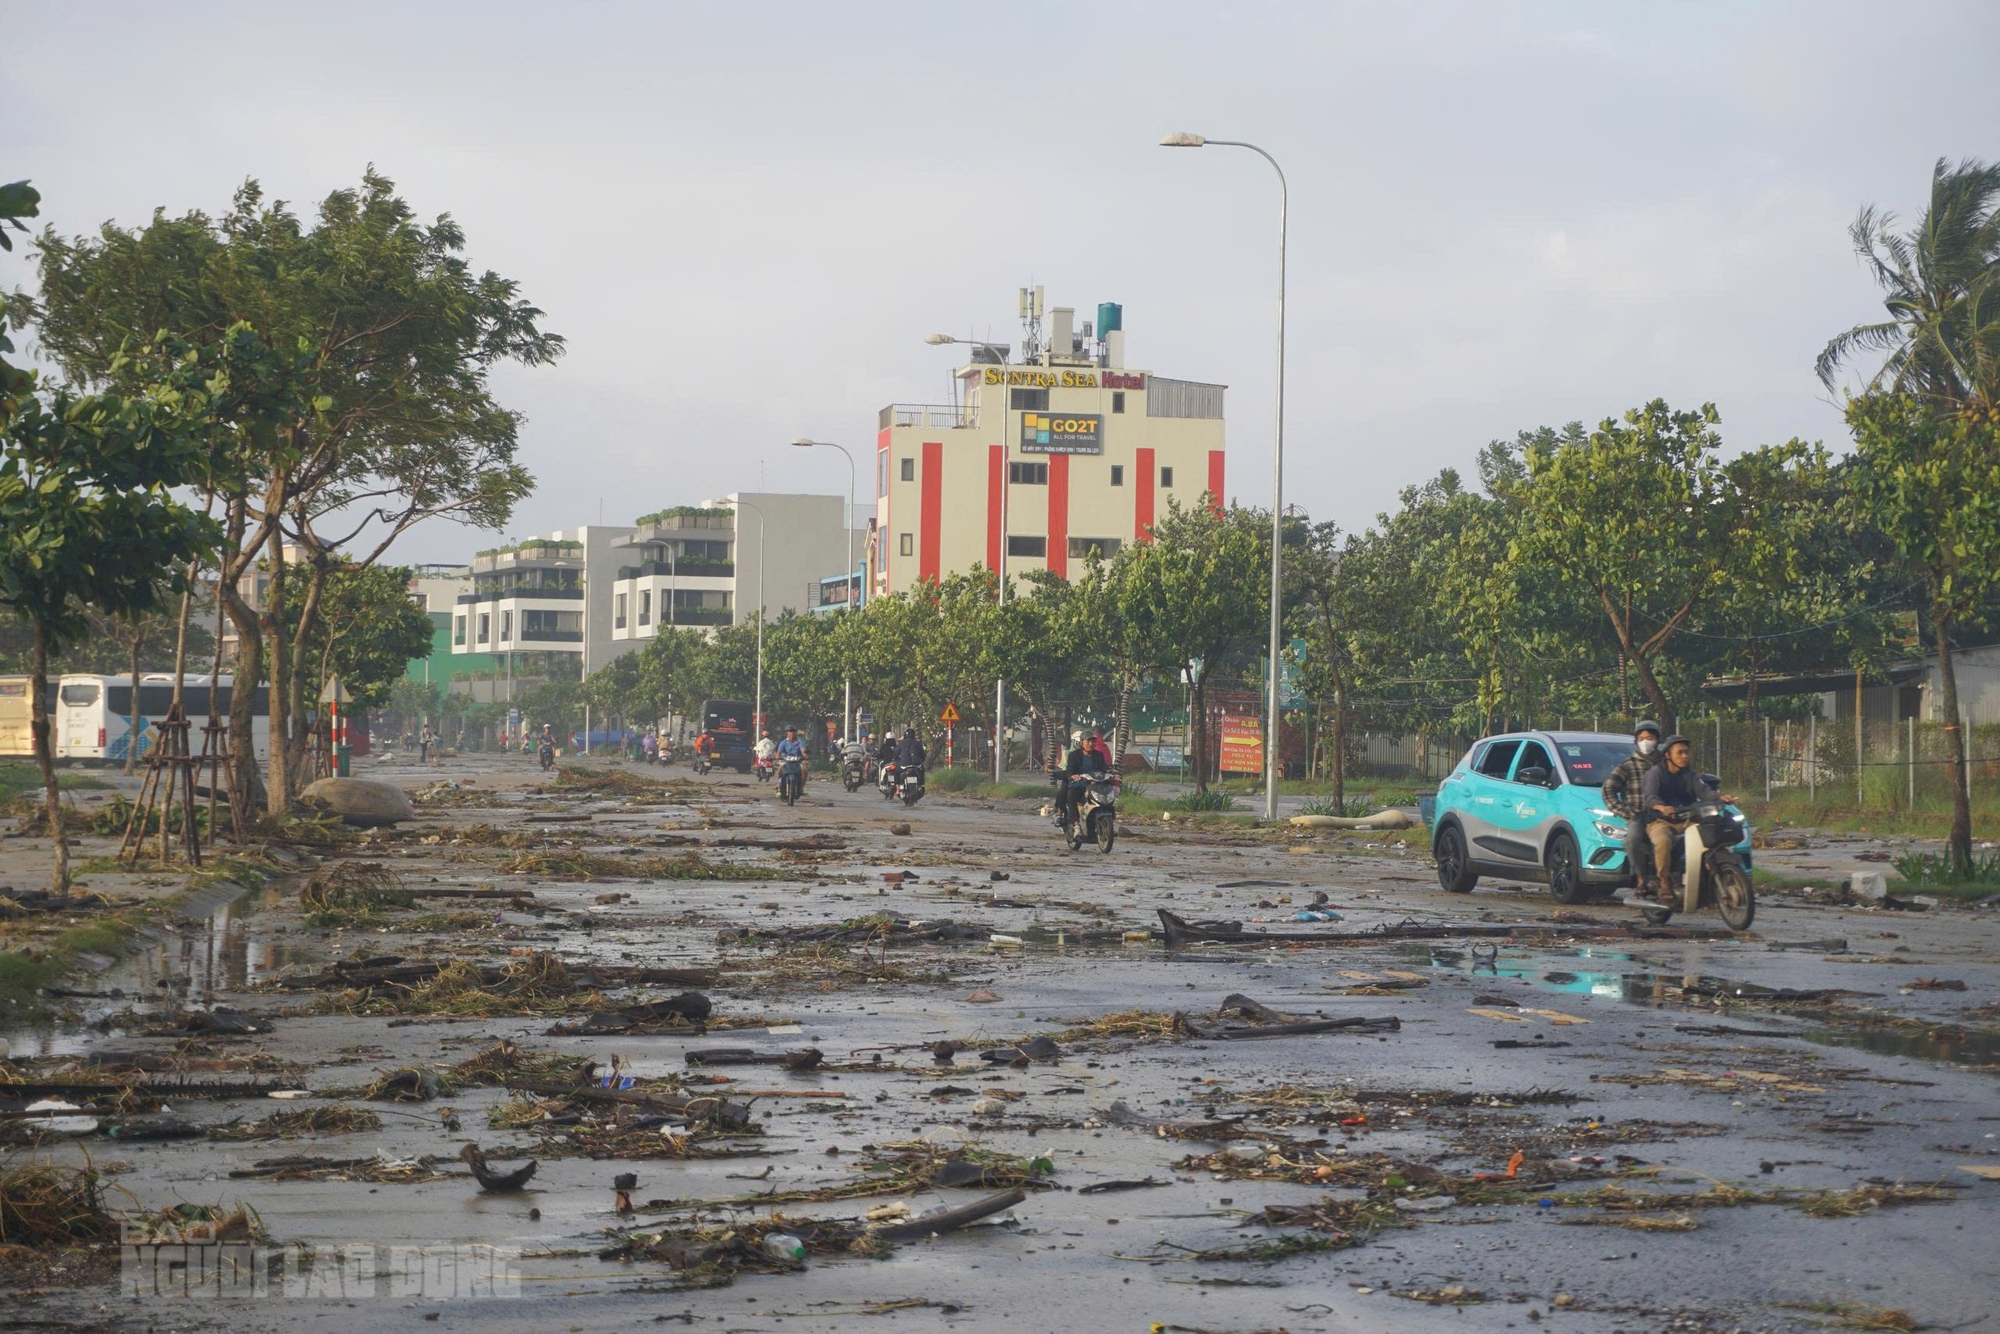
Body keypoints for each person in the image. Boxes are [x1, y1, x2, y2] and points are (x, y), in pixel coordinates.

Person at [1638, 734, 1723, 900]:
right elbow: (1649, 797)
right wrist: (1661, 807)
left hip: (1687, 819)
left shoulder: (1690, 774)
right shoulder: (1655, 774)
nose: (1684, 756)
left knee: (1708, 834)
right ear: (1668, 755)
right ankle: (1664, 880)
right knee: (1663, 840)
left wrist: (1719, 798)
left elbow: (1704, 791)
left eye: (1686, 752)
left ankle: (1707, 876)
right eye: (1680, 752)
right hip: (1660, 820)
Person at [1601, 721, 1662, 889]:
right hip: (1639, 816)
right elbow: (1608, 790)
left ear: (1657, 740)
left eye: (1649, 738)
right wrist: (1624, 811)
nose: (1646, 742)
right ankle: (1640, 878)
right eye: (1641, 738)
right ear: (1636, 741)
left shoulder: (1666, 764)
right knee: (1632, 840)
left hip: (1665, 815)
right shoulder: (1627, 766)